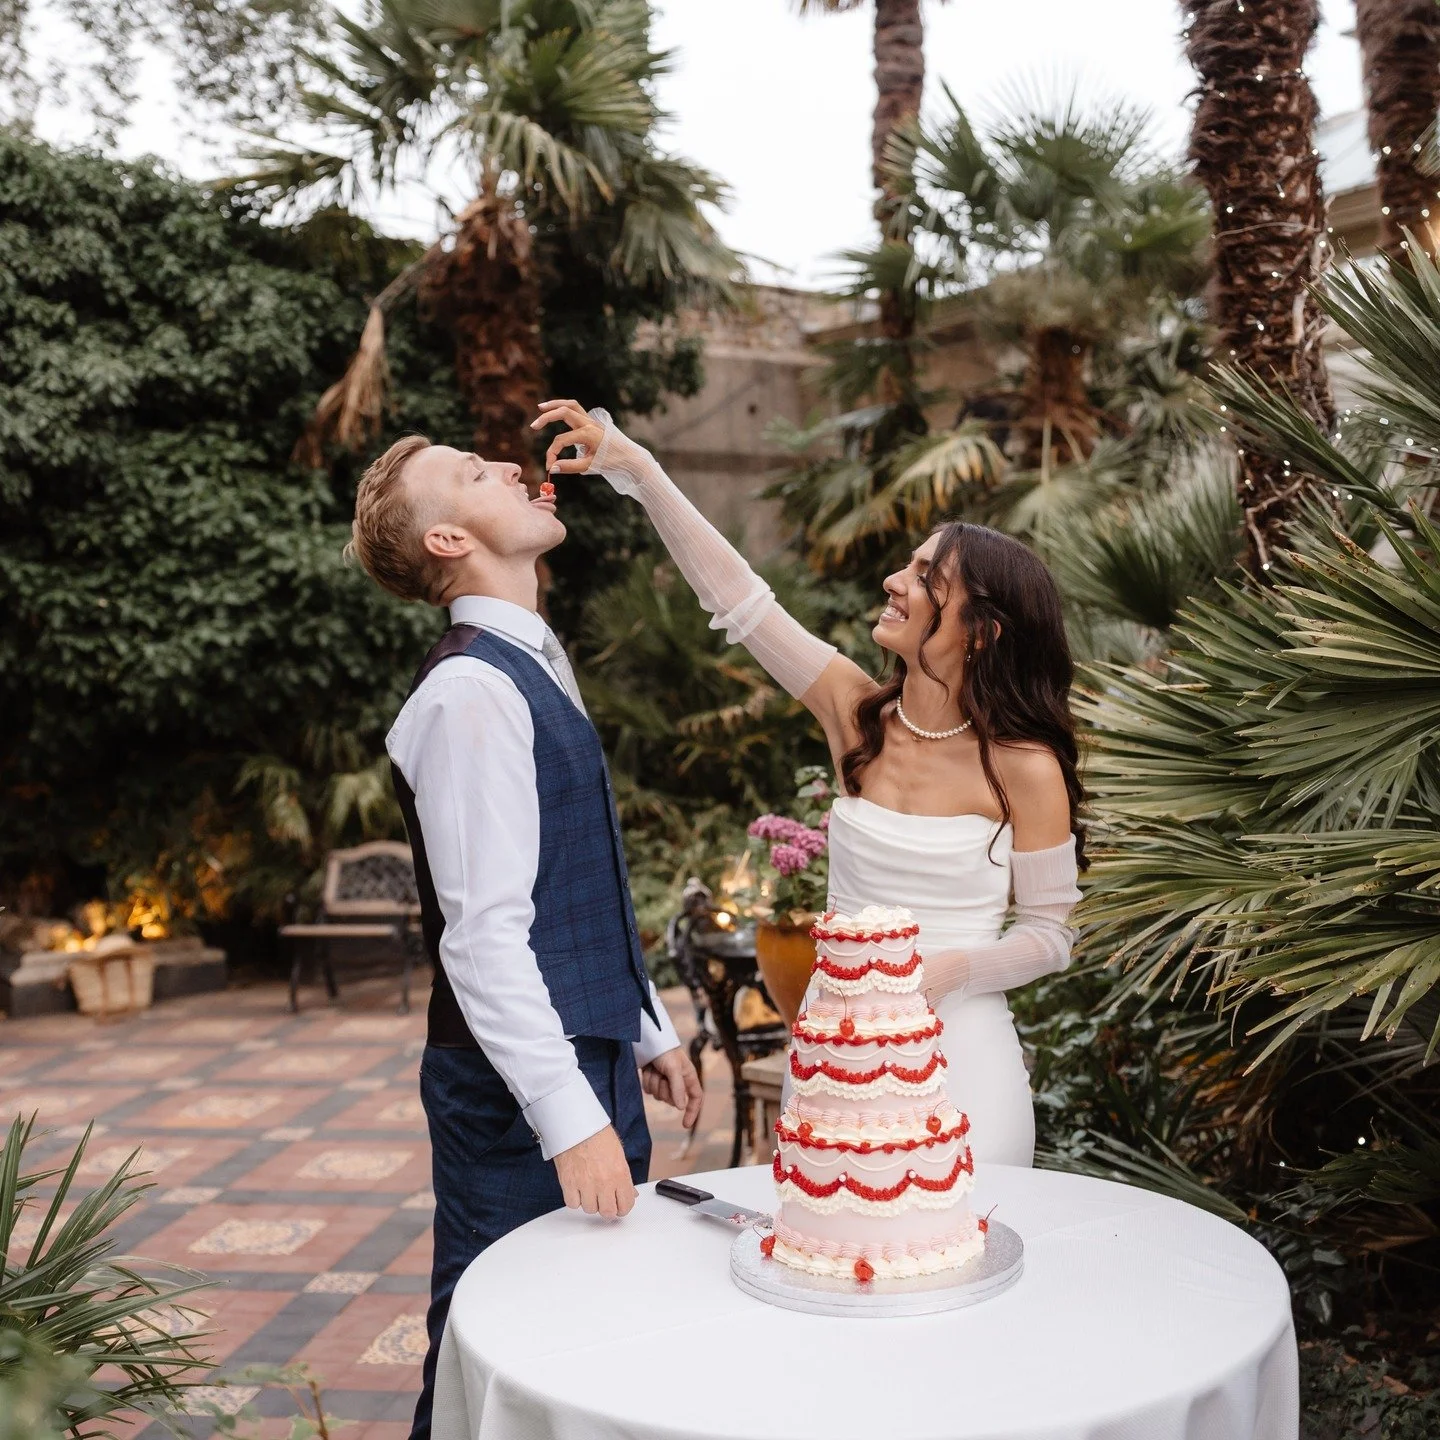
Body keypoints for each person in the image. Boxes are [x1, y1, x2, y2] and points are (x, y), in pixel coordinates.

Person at [533, 400, 1084, 1168]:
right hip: (834, 1055)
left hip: (963, 1064)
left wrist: (952, 971)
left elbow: (1053, 934)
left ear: (981, 630)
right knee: (829, 1252)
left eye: (926, 577)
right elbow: (739, 599)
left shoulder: (1025, 765)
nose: (895, 581)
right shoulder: (855, 715)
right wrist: (638, 469)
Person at [346, 435, 703, 1440]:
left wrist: (644, 1030)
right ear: (452, 539)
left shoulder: (535, 661)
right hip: (515, 1096)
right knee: (487, 1341)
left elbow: (572, 880)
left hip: (578, 1061)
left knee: (584, 1337)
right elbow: (484, 939)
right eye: (471, 474)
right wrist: (573, 1116)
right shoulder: (467, 692)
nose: (508, 466)